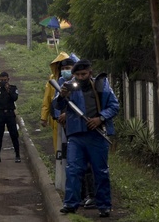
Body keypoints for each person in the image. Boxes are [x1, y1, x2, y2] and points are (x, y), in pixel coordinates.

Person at [53, 59, 119, 217]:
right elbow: (56, 106)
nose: (80, 77)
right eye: (77, 74)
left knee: (100, 171)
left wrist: (100, 118)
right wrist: (62, 96)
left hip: (97, 135)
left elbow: (114, 106)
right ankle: (70, 204)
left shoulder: (101, 85)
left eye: (84, 74)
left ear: (90, 73)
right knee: (73, 169)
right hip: (76, 134)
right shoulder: (67, 86)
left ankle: (104, 205)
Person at [0, 71, 21, 163]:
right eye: (1, 80)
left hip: (10, 114)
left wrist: (8, 90)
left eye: (5, 80)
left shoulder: (13, 88)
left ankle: (17, 155)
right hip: (0, 114)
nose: (3, 82)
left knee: (14, 134)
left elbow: (15, 98)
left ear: (8, 80)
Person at [40, 52, 70, 153]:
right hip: (57, 118)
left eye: (67, 67)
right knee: (58, 146)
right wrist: (44, 117)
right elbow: (47, 98)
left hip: (71, 118)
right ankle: (59, 167)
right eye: (62, 67)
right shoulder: (53, 80)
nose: (64, 70)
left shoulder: (75, 80)